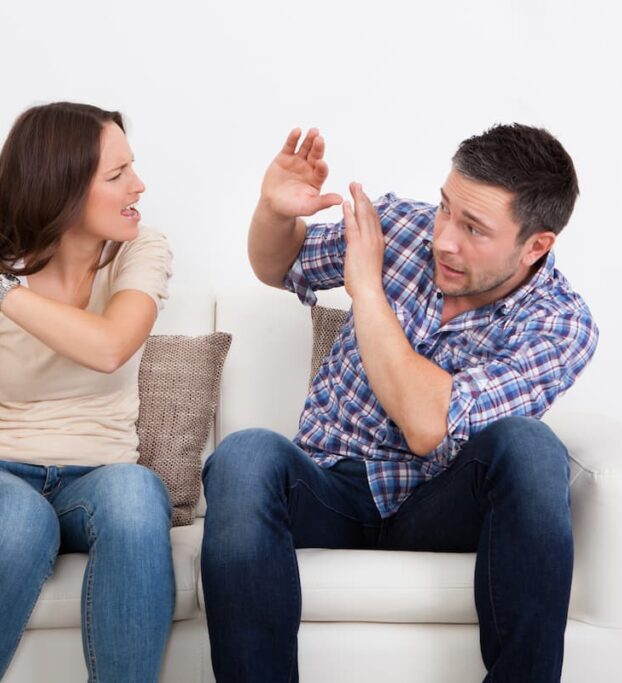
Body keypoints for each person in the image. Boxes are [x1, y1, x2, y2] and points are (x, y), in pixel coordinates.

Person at [201, 124, 598, 682]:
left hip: (437, 501)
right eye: (446, 209)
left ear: (536, 245)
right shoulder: (402, 229)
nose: (444, 239)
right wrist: (275, 213)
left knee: (531, 447)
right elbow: (277, 264)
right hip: (330, 484)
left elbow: (427, 426)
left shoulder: (559, 326)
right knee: (243, 456)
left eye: (474, 229)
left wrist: (365, 289)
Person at [0, 102, 174, 683]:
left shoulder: (140, 252)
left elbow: (109, 346)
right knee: (21, 522)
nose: (138, 186)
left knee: (138, 494)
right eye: (117, 175)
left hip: (96, 477)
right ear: (62, 188)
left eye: (132, 168)